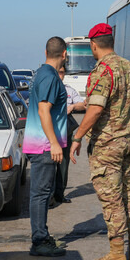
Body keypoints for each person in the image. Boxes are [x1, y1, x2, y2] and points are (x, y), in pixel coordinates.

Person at [70, 23, 130, 260]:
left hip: (108, 145)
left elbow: (98, 108)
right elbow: (119, 101)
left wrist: (78, 135)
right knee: (128, 194)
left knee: (111, 199)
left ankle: (116, 255)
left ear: (93, 44)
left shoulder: (103, 71)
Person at [22, 36, 68, 257]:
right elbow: (43, 110)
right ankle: (39, 241)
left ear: (45, 52)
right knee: (40, 194)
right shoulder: (49, 77)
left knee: (42, 193)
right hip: (43, 145)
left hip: (39, 143)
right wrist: (53, 143)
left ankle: (42, 235)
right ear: (65, 54)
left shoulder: (41, 73)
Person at [51, 65, 86, 206]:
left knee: (63, 164)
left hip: (66, 132)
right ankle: (48, 196)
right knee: (48, 165)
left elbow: (83, 105)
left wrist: (72, 107)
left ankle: (60, 194)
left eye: (62, 72)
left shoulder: (69, 90)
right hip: (50, 133)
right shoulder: (49, 89)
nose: (60, 75)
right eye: (57, 72)